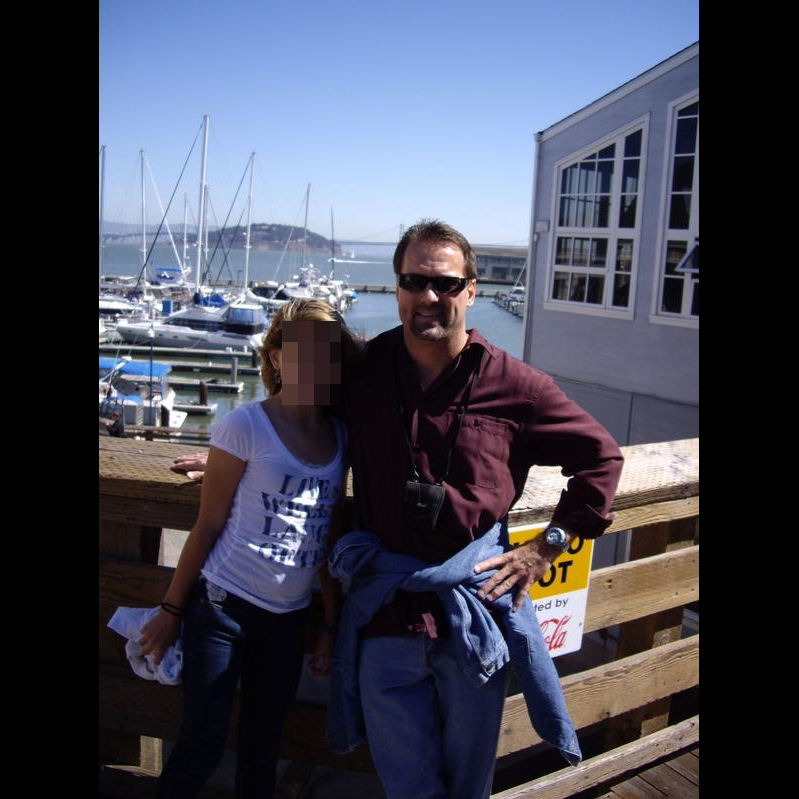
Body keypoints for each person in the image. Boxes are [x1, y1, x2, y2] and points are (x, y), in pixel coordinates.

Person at [171, 220, 624, 799]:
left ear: (471, 290)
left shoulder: (518, 387)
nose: (428, 296)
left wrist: (545, 548)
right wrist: (234, 459)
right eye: (413, 281)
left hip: (472, 618)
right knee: (408, 788)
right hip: (385, 618)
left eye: (445, 283)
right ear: (398, 287)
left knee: (467, 787)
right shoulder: (365, 373)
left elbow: (601, 459)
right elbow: (297, 415)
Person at [139, 298, 361, 799]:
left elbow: (326, 535)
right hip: (222, 611)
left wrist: (328, 626)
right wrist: (171, 611)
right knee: (201, 746)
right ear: (277, 356)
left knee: (263, 751)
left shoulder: (340, 436)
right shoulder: (244, 425)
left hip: (288, 622)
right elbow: (208, 525)